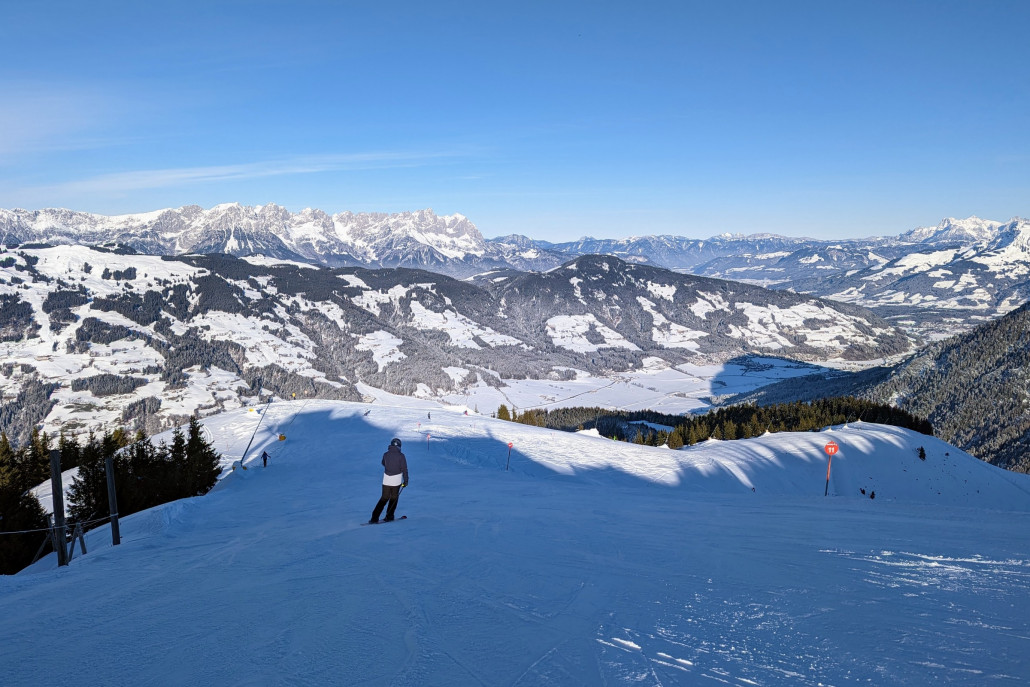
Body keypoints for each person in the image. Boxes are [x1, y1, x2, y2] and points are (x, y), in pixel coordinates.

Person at [370, 438, 408, 523]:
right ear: (399, 446)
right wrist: (406, 481)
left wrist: (390, 466)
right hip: (396, 480)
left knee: (384, 498)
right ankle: (389, 516)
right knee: (393, 498)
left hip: (386, 479)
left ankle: (374, 518)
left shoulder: (385, 454)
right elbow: (404, 469)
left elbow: (383, 463)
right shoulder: (401, 456)